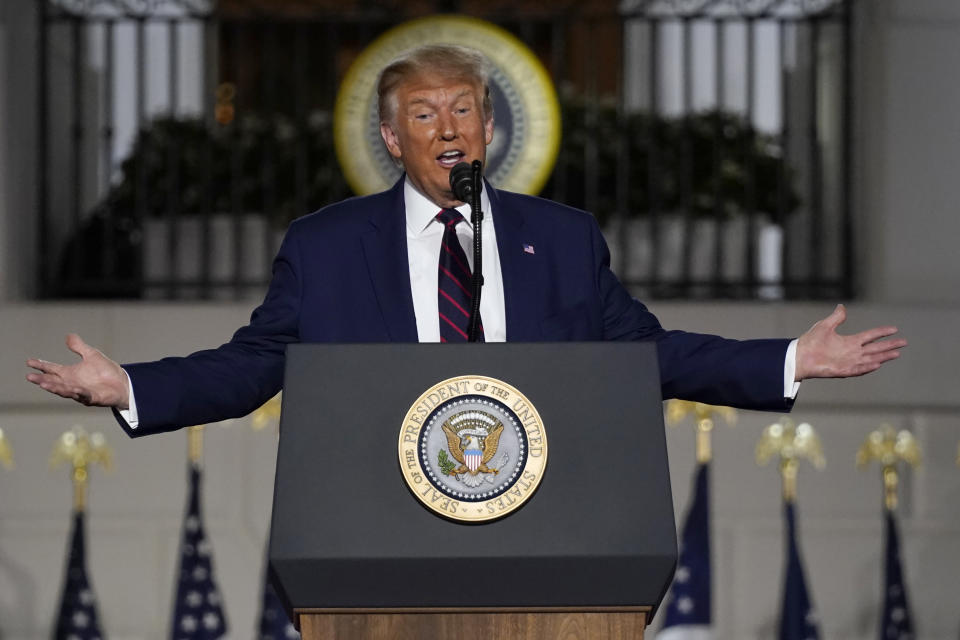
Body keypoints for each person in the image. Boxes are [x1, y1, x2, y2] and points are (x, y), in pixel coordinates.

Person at [26, 45, 905, 437]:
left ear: (487, 125)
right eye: (423, 114)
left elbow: (646, 353)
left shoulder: (561, 240)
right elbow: (257, 362)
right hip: (375, 517)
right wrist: (130, 385)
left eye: (463, 110)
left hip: (544, 510)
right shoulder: (327, 246)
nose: (448, 128)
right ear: (390, 136)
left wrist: (789, 359)